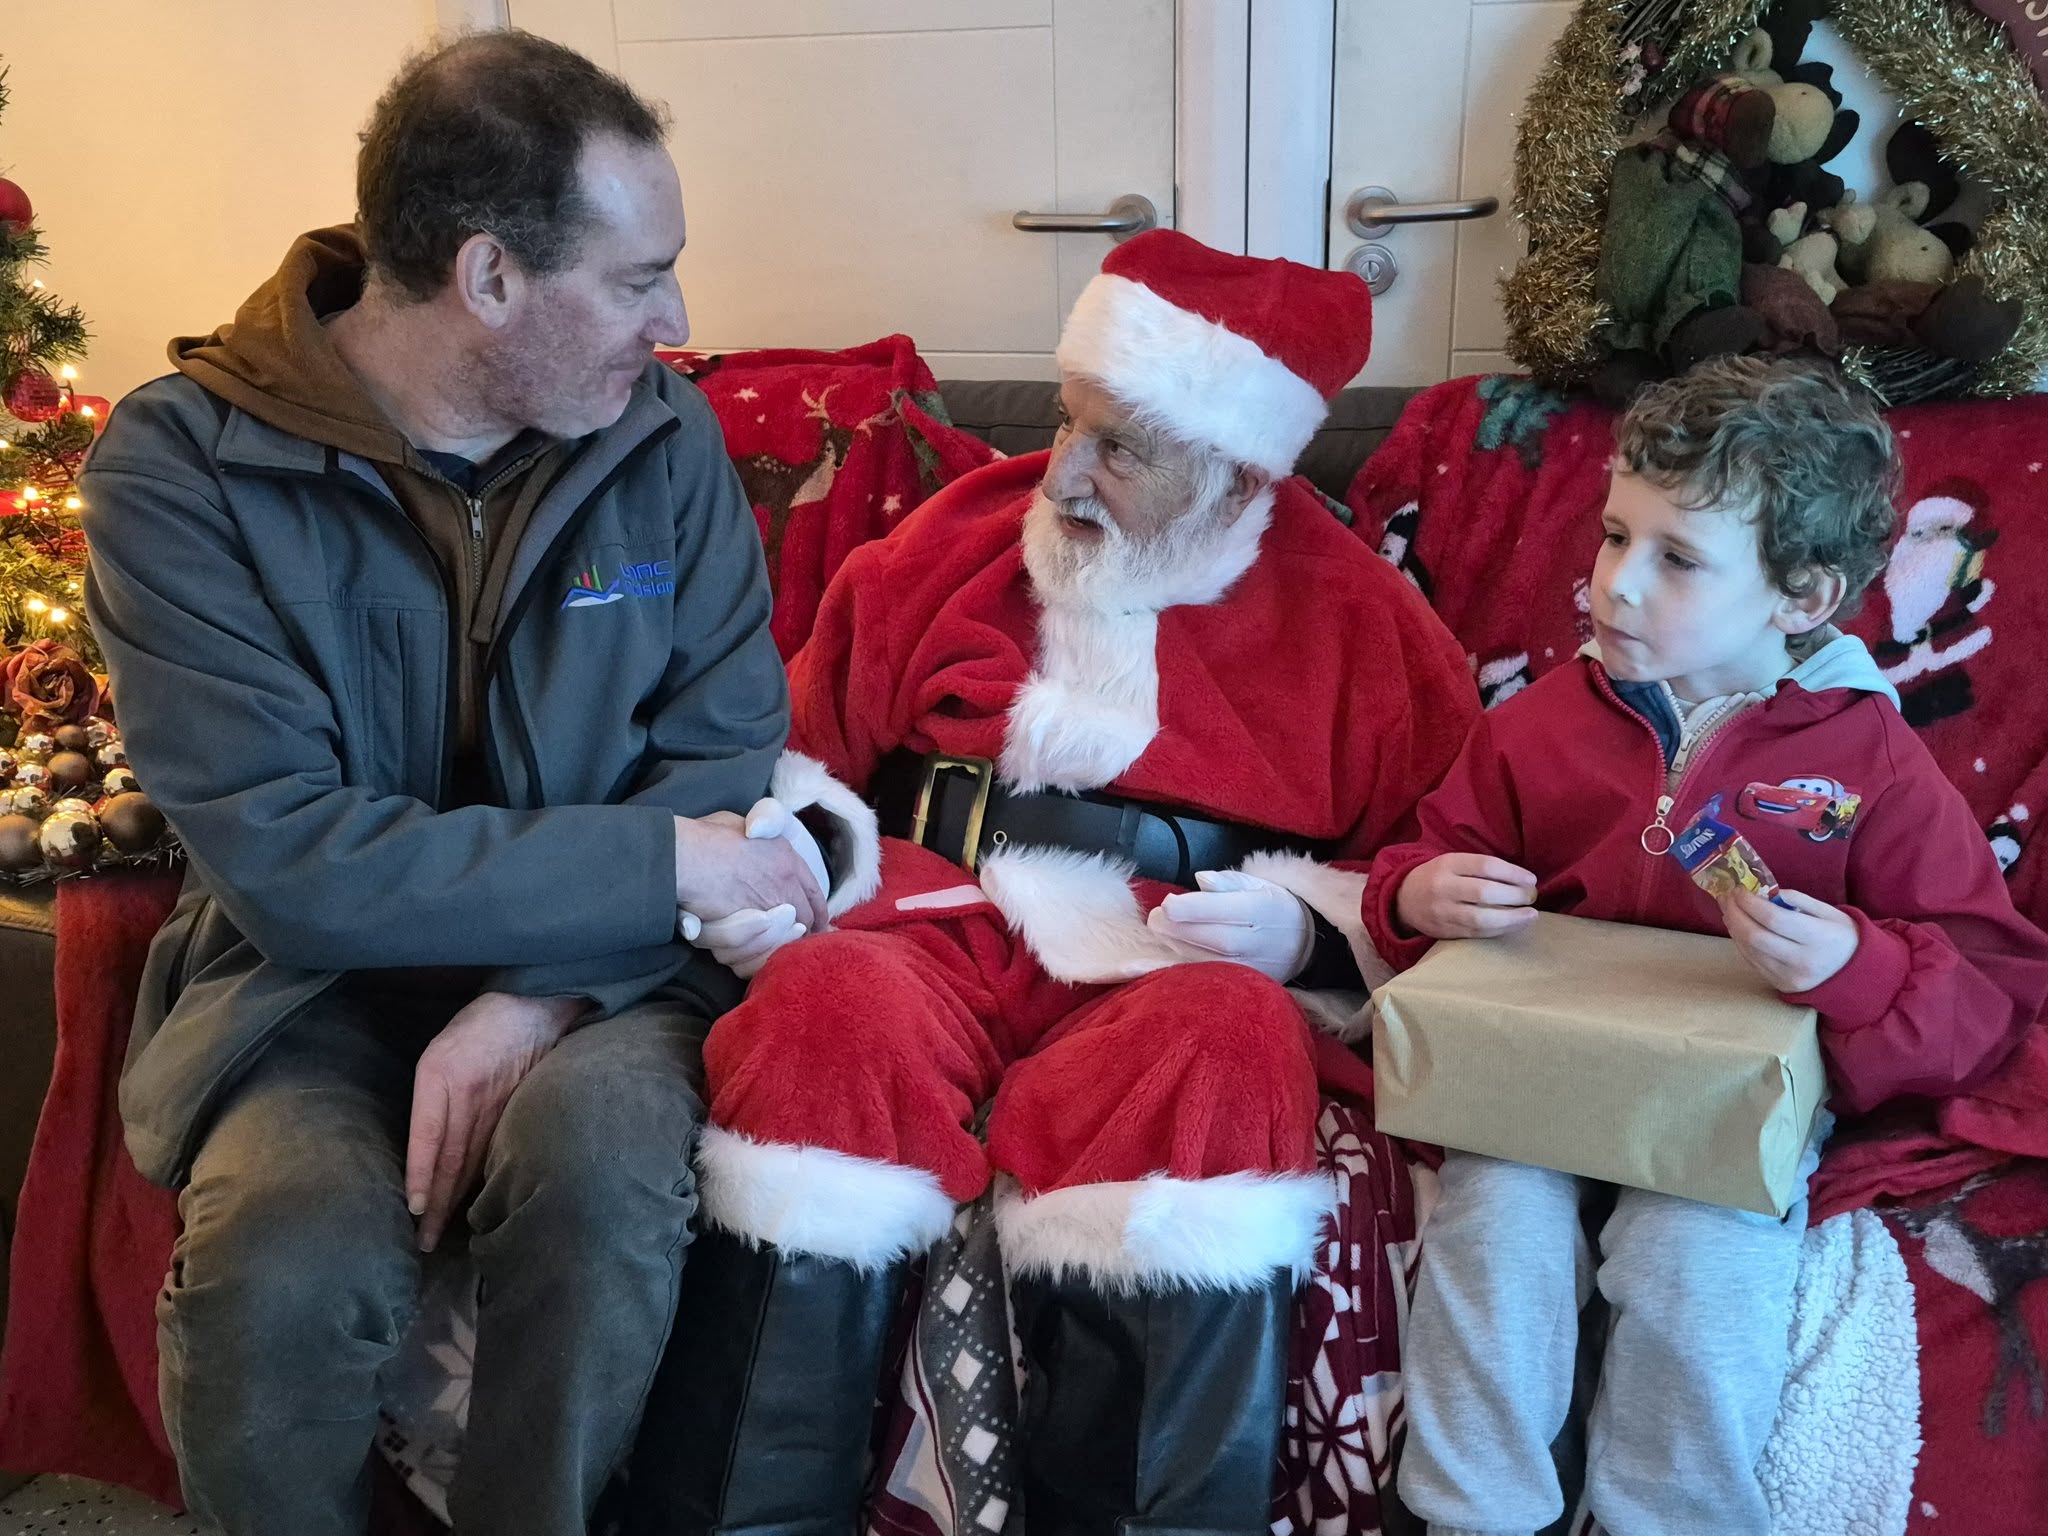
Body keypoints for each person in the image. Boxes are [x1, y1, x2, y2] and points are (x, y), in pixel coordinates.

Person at [78, 31, 846, 1536]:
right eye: (638, 281)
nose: (678, 323)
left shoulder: (663, 437)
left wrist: (537, 994)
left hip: (615, 980)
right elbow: (294, 861)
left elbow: (719, 756)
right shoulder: (177, 471)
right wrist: (655, 866)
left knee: (602, 1172)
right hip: (305, 989)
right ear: (488, 276)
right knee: (282, 1255)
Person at [621, 230, 1482, 1536]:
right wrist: (798, 858)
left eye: (1119, 449)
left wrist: (1312, 932)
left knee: (1228, 1039)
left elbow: (1438, 858)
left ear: (1235, 473)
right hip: (926, 919)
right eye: (1071, 421)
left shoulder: (1361, 622)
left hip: (1173, 958)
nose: (1065, 471)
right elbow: (802, 750)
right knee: (824, 1007)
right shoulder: (953, 539)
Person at [1367, 356, 2048, 1536]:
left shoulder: (1872, 762)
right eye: (1612, 535)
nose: (1615, 584)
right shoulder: (1536, 722)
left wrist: (1855, 966)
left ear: (1801, 597)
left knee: (1696, 1261)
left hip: (1726, 1110)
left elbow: (1988, 983)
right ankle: (1469, 1515)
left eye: (1676, 558)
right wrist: (1420, 893)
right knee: (1494, 1223)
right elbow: (1427, 855)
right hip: (1533, 1076)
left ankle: (1668, 1519)